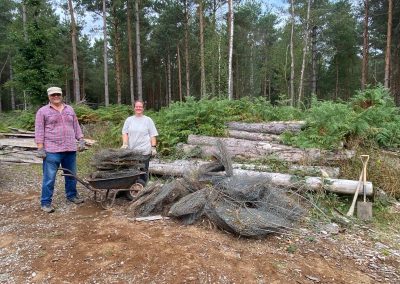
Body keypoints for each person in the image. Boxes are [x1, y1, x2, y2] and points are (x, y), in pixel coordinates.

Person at [34, 87, 86, 213]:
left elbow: (76, 125)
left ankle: (72, 196)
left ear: (61, 95)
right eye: (53, 95)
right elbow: (39, 130)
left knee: (71, 175)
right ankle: (45, 202)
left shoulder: (69, 109)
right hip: (52, 150)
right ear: (49, 97)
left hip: (70, 148)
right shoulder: (43, 111)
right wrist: (40, 147)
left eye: (58, 94)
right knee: (49, 177)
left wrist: (81, 139)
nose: (56, 96)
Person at [121, 100, 158, 186]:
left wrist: (153, 147)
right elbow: (125, 133)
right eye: (137, 106)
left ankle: (143, 188)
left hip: (144, 150)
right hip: (132, 150)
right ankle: (131, 188)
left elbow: (153, 135)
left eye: (140, 107)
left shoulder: (148, 120)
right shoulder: (129, 120)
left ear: (143, 108)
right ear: (134, 108)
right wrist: (125, 144)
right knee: (131, 170)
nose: (138, 108)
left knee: (143, 170)